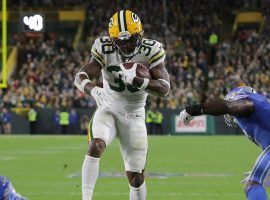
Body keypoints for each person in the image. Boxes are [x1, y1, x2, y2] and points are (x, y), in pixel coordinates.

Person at [74, 10, 170, 200]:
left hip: (134, 115)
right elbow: (80, 76)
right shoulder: (103, 47)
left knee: (135, 178)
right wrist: (93, 90)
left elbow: (165, 88)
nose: (126, 45)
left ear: (140, 35)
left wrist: (139, 81)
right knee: (95, 145)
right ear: (112, 39)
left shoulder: (152, 49)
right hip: (108, 108)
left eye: (130, 40)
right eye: (121, 41)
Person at [179, 86, 270, 200]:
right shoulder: (260, 106)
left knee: (253, 183)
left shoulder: (248, 103)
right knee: (257, 180)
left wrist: (193, 110)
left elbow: (228, 106)